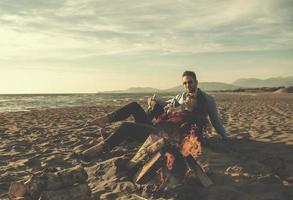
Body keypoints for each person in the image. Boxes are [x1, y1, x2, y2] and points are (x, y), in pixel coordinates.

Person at [87, 71, 227, 141]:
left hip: (178, 134)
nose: (187, 85)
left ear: (196, 82)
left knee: (131, 127)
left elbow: (216, 122)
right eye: (184, 83)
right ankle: (105, 119)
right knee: (136, 105)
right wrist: (153, 100)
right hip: (164, 127)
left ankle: (115, 137)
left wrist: (225, 137)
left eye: (190, 82)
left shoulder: (208, 99)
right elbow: (166, 104)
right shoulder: (181, 96)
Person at [82, 93, 207, 158]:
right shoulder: (180, 111)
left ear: (198, 103)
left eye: (193, 97)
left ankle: (101, 148)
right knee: (135, 106)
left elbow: (192, 134)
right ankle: (105, 119)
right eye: (188, 96)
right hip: (154, 127)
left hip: (159, 135)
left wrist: (175, 139)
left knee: (126, 126)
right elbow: (161, 119)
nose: (189, 97)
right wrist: (165, 113)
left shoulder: (193, 116)